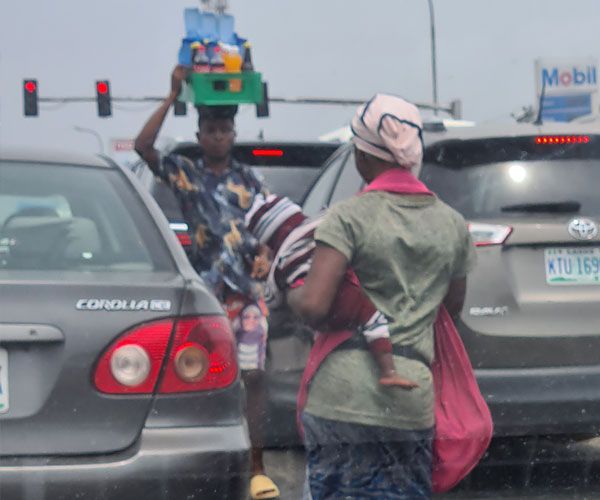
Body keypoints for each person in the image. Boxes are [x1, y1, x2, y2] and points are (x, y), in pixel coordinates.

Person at [288, 94, 476, 499]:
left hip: (341, 398)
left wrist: (290, 298)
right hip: (410, 398)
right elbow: (451, 308)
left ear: (361, 155)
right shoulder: (452, 224)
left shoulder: (348, 216)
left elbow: (316, 307)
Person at [134, 65, 279, 500]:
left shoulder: (250, 180)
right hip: (206, 297)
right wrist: (171, 94)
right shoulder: (185, 173)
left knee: (253, 377)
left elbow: (271, 228)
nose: (218, 136)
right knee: (201, 377)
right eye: (211, 129)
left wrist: (267, 256)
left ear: (234, 134)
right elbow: (143, 147)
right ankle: (202, 462)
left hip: (248, 296)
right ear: (200, 136)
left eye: (225, 130)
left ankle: (256, 466)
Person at [245, 192, 420, 388]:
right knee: (373, 320)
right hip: (341, 295)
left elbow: (273, 298)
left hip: (321, 316)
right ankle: (389, 370)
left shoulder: (283, 261)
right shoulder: (323, 236)